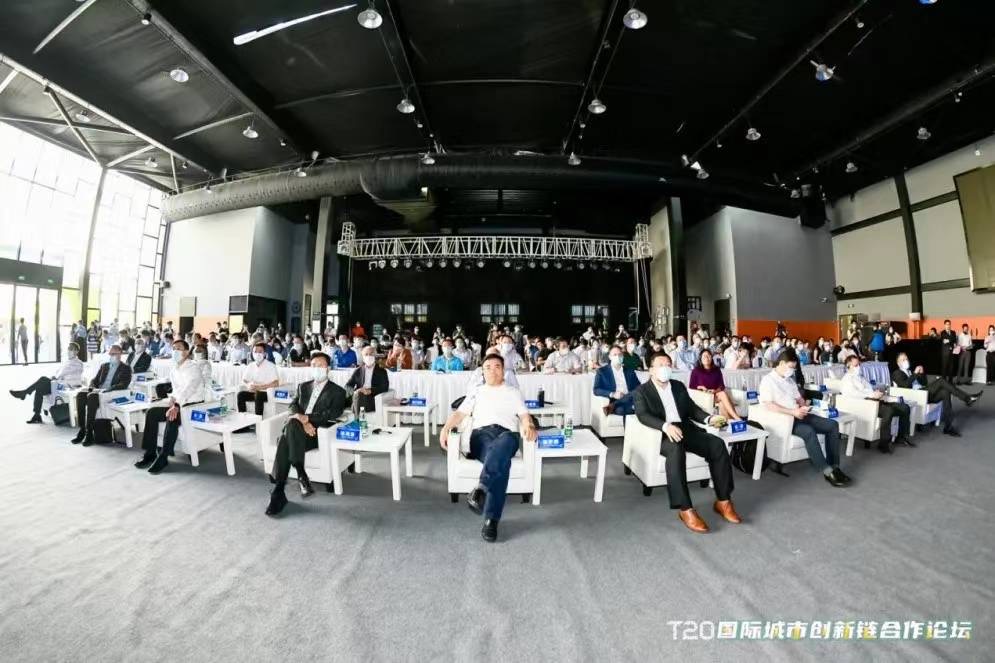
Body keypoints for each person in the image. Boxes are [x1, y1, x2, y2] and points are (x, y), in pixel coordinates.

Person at [633, 353, 740, 533]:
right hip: (663, 433)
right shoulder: (641, 391)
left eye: (668, 364)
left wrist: (709, 418)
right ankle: (685, 509)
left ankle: (723, 501)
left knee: (717, 444)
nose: (665, 368)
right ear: (651, 370)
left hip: (685, 429)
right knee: (676, 449)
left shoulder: (678, 386)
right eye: (661, 365)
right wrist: (665, 426)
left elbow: (691, 409)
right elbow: (643, 415)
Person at [440, 353, 537, 542]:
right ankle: (491, 520)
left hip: (507, 435)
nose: (492, 370)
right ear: (482, 372)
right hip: (481, 437)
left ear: (503, 370)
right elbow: (459, 414)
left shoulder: (513, 392)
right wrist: (445, 429)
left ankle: (481, 489)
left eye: (497, 366)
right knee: (502, 463)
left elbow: (525, 416)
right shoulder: (476, 392)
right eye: (488, 367)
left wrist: (530, 425)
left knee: (505, 442)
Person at [265, 353, 347, 516]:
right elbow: (293, 406)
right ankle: (294, 479)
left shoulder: (338, 391)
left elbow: (332, 414)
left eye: (321, 365)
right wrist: (303, 421)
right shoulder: (303, 386)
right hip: (298, 429)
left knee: (286, 436)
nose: (317, 368)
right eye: (314, 365)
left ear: (328, 368)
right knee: (291, 426)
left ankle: (281, 489)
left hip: (316, 433)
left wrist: (306, 419)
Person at [759, 349, 850, 487]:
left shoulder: (789, 381)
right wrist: (792, 412)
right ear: (781, 363)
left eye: (793, 368)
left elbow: (799, 399)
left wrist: (805, 405)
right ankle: (827, 471)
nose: (792, 371)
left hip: (799, 414)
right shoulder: (768, 381)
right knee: (808, 431)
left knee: (832, 425)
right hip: (784, 420)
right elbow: (769, 405)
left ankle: (834, 467)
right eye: (790, 367)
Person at [133, 340, 206, 474]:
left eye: (178, 348)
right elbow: (177, 389)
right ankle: (150, 453)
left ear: (186, 352)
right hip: (179, 403)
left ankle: (163, 457)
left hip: (193, 405)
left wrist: (176, 405)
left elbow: (189, 389)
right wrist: (172, 398)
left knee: (172, 416)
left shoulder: (193, 368)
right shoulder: (174, 369)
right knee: (152, 412)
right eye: (173, 348)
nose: (175, 351)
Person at [892, 352, 980, 437]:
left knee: (945, 392)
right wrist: (915, 373)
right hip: (916, 396)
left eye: (906, 359)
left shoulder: (910, 372)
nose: (906, 361)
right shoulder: (897, 373)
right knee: (941, 381)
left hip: (924, 394)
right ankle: (967, 398)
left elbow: (924, 383)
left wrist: (921, 373)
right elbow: (905, 385)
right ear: (898, 363)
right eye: (903, 360)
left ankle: (948, 427)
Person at [840, 355, 912, 453]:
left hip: (875, 400)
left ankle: (901, 437)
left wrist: (876, 393)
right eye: (856, 365)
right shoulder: (847, 380)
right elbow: (853, 394)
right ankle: (883, 443)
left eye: (859, 364)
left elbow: (869, 388)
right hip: (865, 404)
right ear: (849, 366)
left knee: (905, 407)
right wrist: (871, 394)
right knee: (888, 411)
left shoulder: (860, 377)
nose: (859, 367)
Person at [71, 344, 133, 446]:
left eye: (113, 354)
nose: (111, 356)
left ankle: (89, 433)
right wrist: (91, 385)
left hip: (110, 393)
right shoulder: (104, 366)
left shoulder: (126, 368)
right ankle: (82, 430)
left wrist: (108, 389)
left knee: (92, 397)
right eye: (110, 354)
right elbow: (95, 380)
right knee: (80, 395)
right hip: (98, 390)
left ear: (120, 354)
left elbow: (124, 384)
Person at [10, 343, 85, 424]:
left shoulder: (78, 363)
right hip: (58, 384)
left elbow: (64, 373)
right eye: (69, 349)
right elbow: (60, 373)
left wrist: (56, 377)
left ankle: (24, 393)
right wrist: (55, 377)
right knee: (39, 388)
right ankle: (36, 415)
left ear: (76, 351)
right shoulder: (67, 361)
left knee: (43, 379)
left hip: (66, 387)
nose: (69, 351)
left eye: (71, 349)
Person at [689, 349, 741, 422]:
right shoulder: (696, 371)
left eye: (708, 356)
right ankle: (737, 418)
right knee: (722, 394)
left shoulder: (716, 369)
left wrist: (715, 391)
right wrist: (701, 388)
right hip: (704, 395)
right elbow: (691, 386)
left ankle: (730, 422)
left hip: (715, 394)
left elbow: (722, 385)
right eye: (704, 356)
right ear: (700, 359)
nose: (707, 358)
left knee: (722, 402)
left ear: (711, 358)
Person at [593, 346, 640, 416]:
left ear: (623, 357)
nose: (617, 357)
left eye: (620, 355)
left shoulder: (630, 371)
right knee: (621, 410)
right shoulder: (602, 371)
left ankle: (613, 405)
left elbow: (638, 387)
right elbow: (596, 390)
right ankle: (618, 404)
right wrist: (613, 394)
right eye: (615, 355)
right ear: (610, 357)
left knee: (635, 393)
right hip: (615, 399)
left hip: (631, 398)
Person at [237, 343, 280, 417]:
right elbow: (244, 379)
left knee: (258, 394)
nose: (257, 354)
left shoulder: (271, 366)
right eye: (255, 352)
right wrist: (249, 385)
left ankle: (258, 419)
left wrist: (260, 387)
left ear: (265, 354)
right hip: (254, 391)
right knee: (240, 395)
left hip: (266, 393)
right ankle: (243, 418)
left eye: (260, 352)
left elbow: (276, 383)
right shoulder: (251, 365)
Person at [347, 346, 389, 416]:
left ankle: (357, 418)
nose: (368, 356)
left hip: (372, 398)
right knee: (359, 394)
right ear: (363, 357)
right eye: (366, 354)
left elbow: (385, 387)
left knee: (360, 396)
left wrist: (370, 390)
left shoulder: (382, 371)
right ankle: (359, 418)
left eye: (371, 354)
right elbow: (348, 386)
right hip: (359, 396)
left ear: (375, 356)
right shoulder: (358, 370)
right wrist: (355, 391)